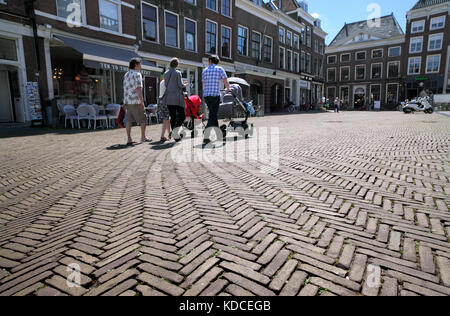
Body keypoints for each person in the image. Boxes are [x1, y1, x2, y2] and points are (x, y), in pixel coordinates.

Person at [202, 55, 230, 147]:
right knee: (212, 115)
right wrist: (227, 88)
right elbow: (225, 79)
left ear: (210, 61)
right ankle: (206, 136)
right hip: (215, 95)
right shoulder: (219, 69)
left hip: (207, 96)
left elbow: (204, 83)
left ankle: (219, 134)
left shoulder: (205, 70)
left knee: (213, 115)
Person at [123, 57, 151, 145]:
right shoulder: (137, 74)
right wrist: (142, 101)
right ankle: (143, 137)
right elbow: (138, 88)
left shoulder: (126, 74)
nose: (141, 66)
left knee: (128, 120)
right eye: (140, 64)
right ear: (136, 65)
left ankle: (129, 139)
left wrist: (124, 101)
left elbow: (125, 88)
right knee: (143, 119)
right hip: (135, 101)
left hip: (127, 101)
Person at [163, 58, 187, 142]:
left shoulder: (165, 73)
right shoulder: (177, 73)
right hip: (177, 98)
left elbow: (166, 84)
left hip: (169, 97)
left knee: (172, 116)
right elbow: (180, 85)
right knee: (182, 115)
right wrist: (184, 85)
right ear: (176, 65)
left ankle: (175, 136)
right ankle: (175, 132)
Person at [158, 74, 171, 143]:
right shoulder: (168, 83)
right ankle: (162, 136)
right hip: (166, 101)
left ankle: (169, 134)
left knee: (166, 119)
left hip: (160, 101)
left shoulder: (162, 82)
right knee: (166, 119)